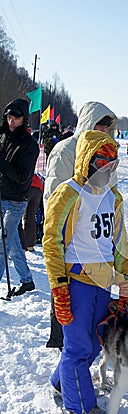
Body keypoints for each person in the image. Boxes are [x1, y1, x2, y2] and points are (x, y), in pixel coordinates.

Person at [43, 129, 128, 414]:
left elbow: (120, 246)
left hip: (103, 284)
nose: (107, 169)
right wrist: (59, 289)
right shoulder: (69, 192)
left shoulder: (113, 197)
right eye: (102, 162)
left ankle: (62, 383)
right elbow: (52, 242)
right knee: (79, 346)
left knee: (96, 342)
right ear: (87, 161)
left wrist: (126, 287)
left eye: (113, 164)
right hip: (75, 283)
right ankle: (81, 406)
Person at [44, 101, 117, 350]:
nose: (104, 130)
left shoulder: (106, 151)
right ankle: (61, 341)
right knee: (63, 289)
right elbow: (54, 192)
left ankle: (83, 344)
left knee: (88, 302)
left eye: (108, 126)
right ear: (87, 123)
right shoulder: (66, 150)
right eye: (99, 125)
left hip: (94, 235)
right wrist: (56, 231)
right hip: (69, 234)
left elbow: (108, 188)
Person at [0, 98, 39, 295]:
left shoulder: (29, 145)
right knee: (12, 242)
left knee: (2, 244)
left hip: (16, 201)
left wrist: (2, 164)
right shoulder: (2, 136)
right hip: (1, 195)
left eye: (15, 117)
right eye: (9, 116)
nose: (11, 121)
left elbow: (22, 176)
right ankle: (27, 280)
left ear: (24, 119)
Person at [19, 172, 44, 252]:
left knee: (17, 218)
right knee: (31, 217)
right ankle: (30, 245)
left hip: (26, 186)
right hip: (38, 188)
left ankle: (21, 245)